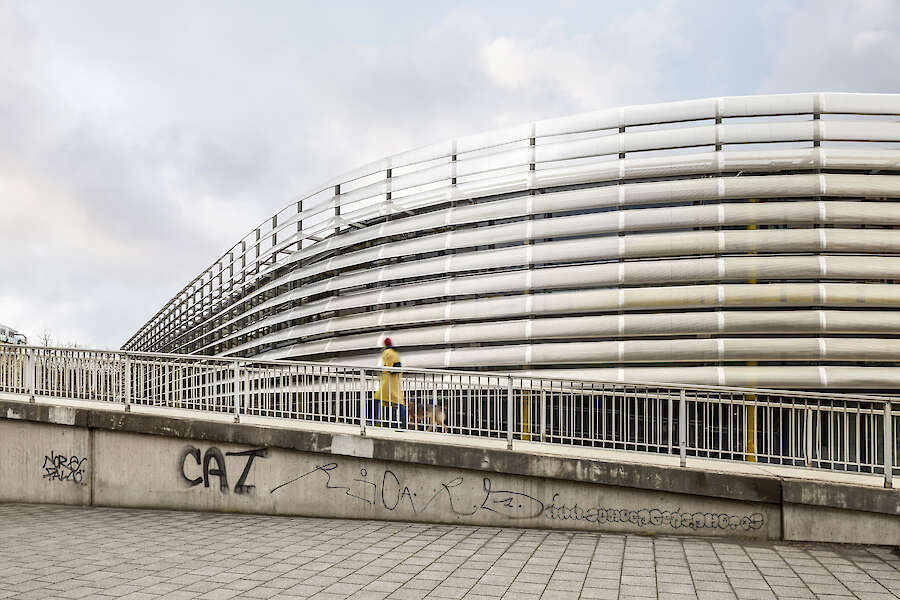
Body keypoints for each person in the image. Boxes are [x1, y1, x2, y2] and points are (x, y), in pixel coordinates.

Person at [374, 337, 406, 430]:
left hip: (388, 380)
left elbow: (388, 366)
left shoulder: (386, 352)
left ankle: (376, 420)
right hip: (395, 380)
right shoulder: (394, 352)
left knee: (378, 398)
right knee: (397, 401)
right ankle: (400, 423)